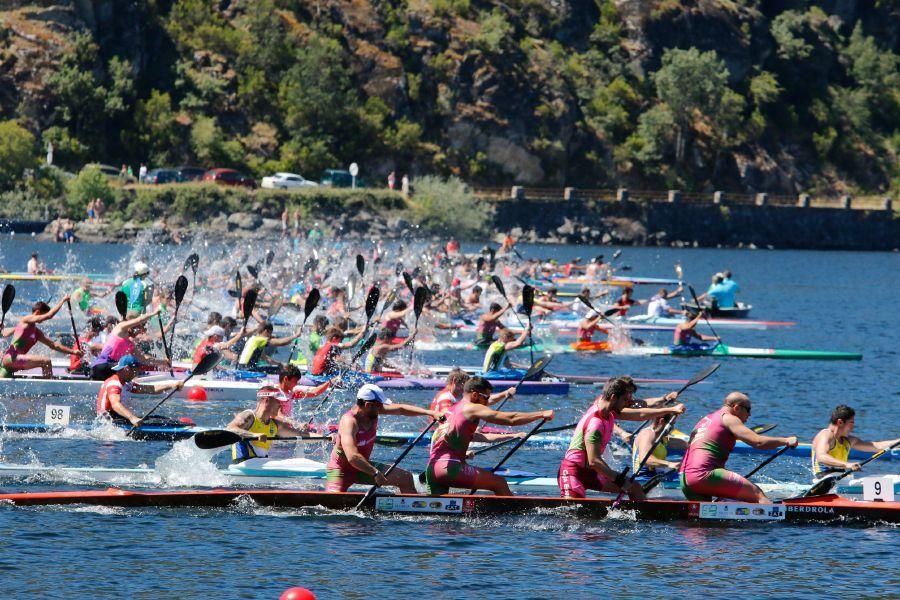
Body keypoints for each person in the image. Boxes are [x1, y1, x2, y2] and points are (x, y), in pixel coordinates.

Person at [558, 376, 685, 500]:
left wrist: (670, 408)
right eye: (625, 400)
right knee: (573, 512)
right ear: (613, 398)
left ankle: (642, 518)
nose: (628, 404)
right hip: (573, 472)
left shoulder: (607, 407)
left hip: (592, 473)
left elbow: (640, 413)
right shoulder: (595, 424)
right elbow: (594, 461)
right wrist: (618, 479)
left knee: (634, 487)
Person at [425, 376, 553, 495]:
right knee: (499, 482)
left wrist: (513, 436)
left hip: (432, 470)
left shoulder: (452, 409)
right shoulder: (472, 408)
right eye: (486, 398)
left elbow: (478, 436)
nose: (487, 402)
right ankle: (515, 515)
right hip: (450, 468)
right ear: (475, 395)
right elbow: (510, 419)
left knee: (438, 510)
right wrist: (541, 414)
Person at [679, 392, 798, 503]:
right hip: (704, 475)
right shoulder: (730, 418)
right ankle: (776, 521)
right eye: (748, 409)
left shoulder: (706, 419)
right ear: (736, 407)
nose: (750, 414)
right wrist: (786, 440)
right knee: (757, 495)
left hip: (685, 478)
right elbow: (759, 442)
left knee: (703, 521)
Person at [325, 384, 441, 493]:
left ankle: (414, 509)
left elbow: (401, 409)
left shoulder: (371, 410)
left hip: (363, 468)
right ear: (367, 405)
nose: (382, 408)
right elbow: (353, 457)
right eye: (379, 405)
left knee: (406, 478)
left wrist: (430, 412)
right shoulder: (349, 421)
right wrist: (375, 473)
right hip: (341, 470)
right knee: (333, 502)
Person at [0, 298, 82, 378]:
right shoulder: (26, 320)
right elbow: (49, 315)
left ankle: (46, 385)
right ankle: (48, 388)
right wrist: (63, 300)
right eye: (43, 315)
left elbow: (53, 345)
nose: (43, 320)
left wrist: (73, 352)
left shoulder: (36, 332)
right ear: (38, 312)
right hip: (11, 358)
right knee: (46, 362)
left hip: (14, 362)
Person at [226, 385, 310, 463]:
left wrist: (322, 438)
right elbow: (230, 429)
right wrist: (254, 435)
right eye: (278, 402)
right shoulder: (249, 416)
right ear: (266, 400)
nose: (280, 406)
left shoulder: (275, 425)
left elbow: (303, 435)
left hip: (260, 467)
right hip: (242, 467)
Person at [810, 405, 900, 477]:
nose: (853, 426)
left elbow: (877, 446)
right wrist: (847, 465)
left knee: (889, 479)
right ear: (840, 422)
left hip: (841, 480)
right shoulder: (825, 434)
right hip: (823, 481)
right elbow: (821, 457)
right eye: (851, 422)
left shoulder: (849, 440)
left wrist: (898, 441)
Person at [95, 355, 184, 426]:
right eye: (135, 371)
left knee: (160, 419)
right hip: (108, 419)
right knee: (159, 422)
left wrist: (172, 385)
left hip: (118, 417)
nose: (137, 373)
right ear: (127, 368)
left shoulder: (126, 383)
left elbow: (151, 389)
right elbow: (115, 405)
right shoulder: (114, 383)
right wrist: (132, 418)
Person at [90, 309, 170, 380]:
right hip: (101, 366)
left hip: (108, 370)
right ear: (133, 326)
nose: (141, 332)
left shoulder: (130, 344)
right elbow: (139, 319)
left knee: (133, 365)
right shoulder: (120, 328)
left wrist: (164, 362)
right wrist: (154, 313)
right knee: (130, 368)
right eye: (140, 329)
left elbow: (144, 359)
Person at [430, 368, 516, 414]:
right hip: (439, 434)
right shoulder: (445, 397)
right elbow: (446, 417)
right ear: (455, 381)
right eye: (464, 384)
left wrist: (504, 394)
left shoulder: (456, 395)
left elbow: (484, 400)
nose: (466, 388)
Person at [631, 415, 687, 481]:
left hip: (656, 477)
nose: (673, 428)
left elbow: (680, 443)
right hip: (643, 479)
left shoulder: (661, 437)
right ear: (662, 421)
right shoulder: (647, 434)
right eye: (672, 424)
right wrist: (669, 464)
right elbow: (645, 460)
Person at [237, 322, 303, 371]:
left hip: (241, 368)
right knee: (281, 371)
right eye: (270, 333)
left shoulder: (253, 339)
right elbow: (280, 342)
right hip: (247, 369)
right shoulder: (260, 339)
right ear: (266, 331)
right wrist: (296, 335)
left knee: (278, 368)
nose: (270, 336)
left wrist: (280, 364)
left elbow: (266, 358)